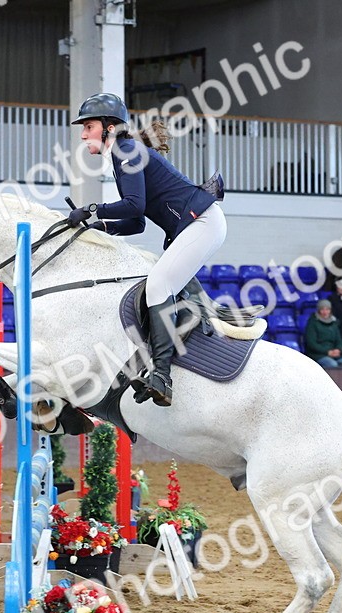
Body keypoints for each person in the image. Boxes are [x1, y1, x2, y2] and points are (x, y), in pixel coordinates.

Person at [66, 92, 224, 406]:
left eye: (89, 126)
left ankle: (162, 377)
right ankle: (181, 332)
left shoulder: (125, 150)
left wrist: (93, 209)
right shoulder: (121, 155)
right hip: (196, 226)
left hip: (203, 222)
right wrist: (101, 227)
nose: (83, 134)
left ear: (109, 127)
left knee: (158, 284)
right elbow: (137, 221)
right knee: (158, 284)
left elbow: (133, 205)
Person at [303, 299, 342, 368]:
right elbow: (311, 343)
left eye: (327, 309)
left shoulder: (334, 323)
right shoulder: (312, 323)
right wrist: (327, 352)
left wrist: (338, 349)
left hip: (333, 354)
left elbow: (339, 340)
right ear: (319, 310)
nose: (325, 312)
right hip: (318, 355)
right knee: (333, 364)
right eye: (322, 309)